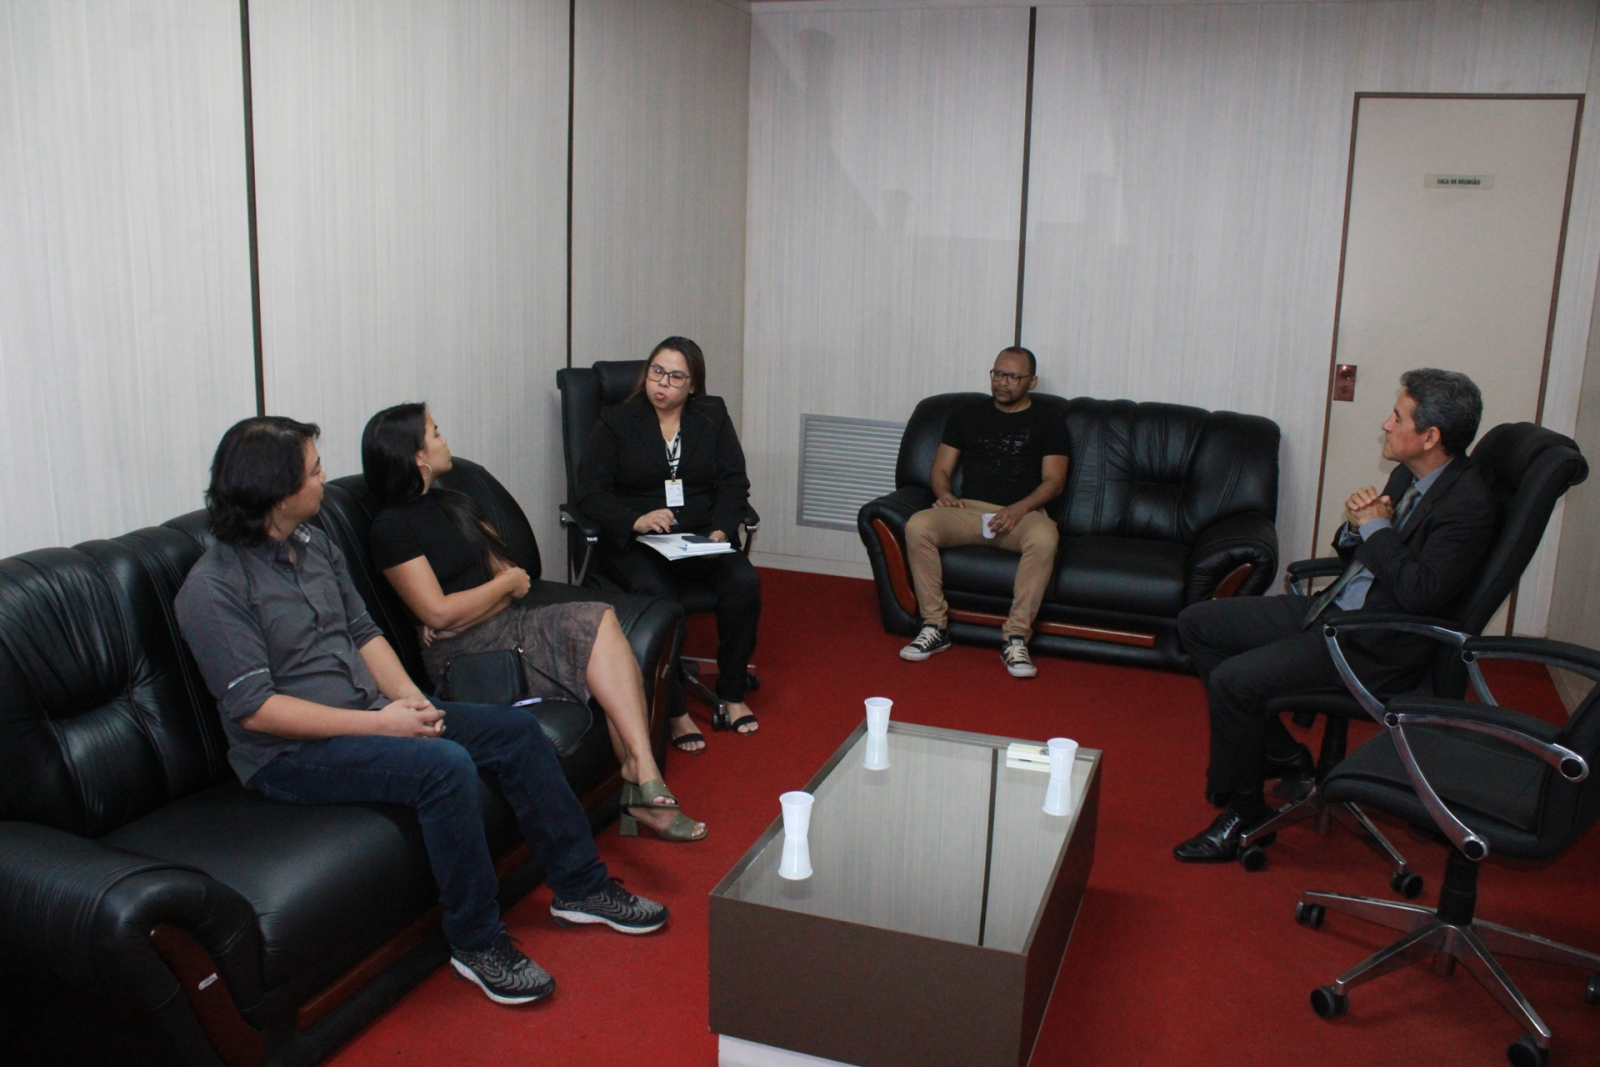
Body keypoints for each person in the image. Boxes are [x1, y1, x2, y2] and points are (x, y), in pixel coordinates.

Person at [174, 416, 668, 1008]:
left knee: (515, 731)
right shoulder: (214, 588)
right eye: (313, 471)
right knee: (444, 766)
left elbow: (363, 633)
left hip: (373, 709)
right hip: (291, 753)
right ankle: (476, 942)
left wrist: (414, 701)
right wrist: (383, 724)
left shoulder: (313, 543)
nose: (324, 479)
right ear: (278, 493)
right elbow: (257, 711)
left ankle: (581, 886)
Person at [1172, 369, 1495, 863]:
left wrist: (1377, 528)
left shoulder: (1468, 506)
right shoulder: (1410, 474)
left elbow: (1421, 592)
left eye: (1398, 416)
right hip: (1334, 608)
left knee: (1233, 682)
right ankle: (1282, 755)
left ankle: (1246, 811)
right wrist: (1356, 527)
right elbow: (1366, 554)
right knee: (1198, 623)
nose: (1386, 424)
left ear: (1430, 436)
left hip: (1373, 642)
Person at [362, 403, 705, 843]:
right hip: (462, 656)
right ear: (416, 457)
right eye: (435, 433)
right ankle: (644, 786)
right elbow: (438, 614)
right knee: (595, 631)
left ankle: (642, 771)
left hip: (509, 624)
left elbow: (517, 581)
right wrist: (476, 600)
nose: (444, 439)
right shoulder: (391, 529)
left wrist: (473, 603)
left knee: (601, 618)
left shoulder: (457, 503)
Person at [576, 336, 761, 742]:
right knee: (661, 598)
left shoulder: (712, 415)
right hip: (638, 542)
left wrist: (720, 530)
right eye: (656, 372)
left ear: (693, 386)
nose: (662, 383)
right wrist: (636, 519)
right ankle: (674, 708)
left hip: (699, 535)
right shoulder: (616, 420)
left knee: (743, 583)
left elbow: (733, 481)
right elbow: (588, 493)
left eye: (676, 377)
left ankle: (731, 692)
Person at [898, 346, 1070, 678]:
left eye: (1013, 377)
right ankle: (934, 626)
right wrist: (945, 494)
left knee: (1045, 538)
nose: (1003, 382)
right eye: (998, 374)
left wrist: (1020, 509)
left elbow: (1054, 481)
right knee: (918, 526)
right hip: (969, 510)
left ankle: (1015, 638)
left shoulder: (1049, 421)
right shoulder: (966, 415)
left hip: (1022, 514)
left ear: (1032, 382)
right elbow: (940, 468)